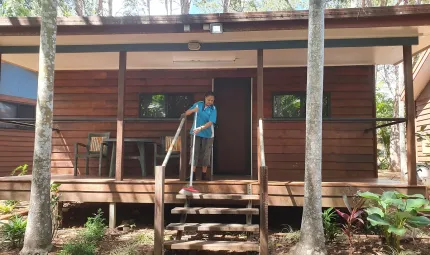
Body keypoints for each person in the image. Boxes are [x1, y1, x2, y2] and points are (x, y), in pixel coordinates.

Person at [181, 92, 217, 181]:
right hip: (195, 132)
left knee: (206, 153)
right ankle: (192, 174)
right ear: (205, 98)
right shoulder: (198, 104)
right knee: (194, 151)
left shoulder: (213, 109)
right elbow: (186, 113)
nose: (210, 102)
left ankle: (204, 174)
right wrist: (193, 110)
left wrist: (200, 128)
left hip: (208, 134)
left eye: (212, 100)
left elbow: (211, 122)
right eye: (209, 100)